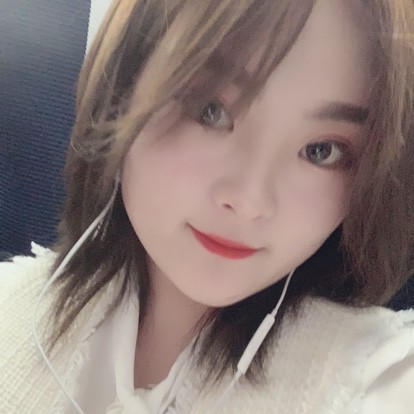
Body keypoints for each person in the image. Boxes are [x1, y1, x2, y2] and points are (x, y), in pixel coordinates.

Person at [1, 0, 414, 413]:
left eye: (321, 150)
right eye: (210, 112)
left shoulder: (373, 380)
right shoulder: (12, 309)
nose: (250, 201)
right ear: (121, 93)